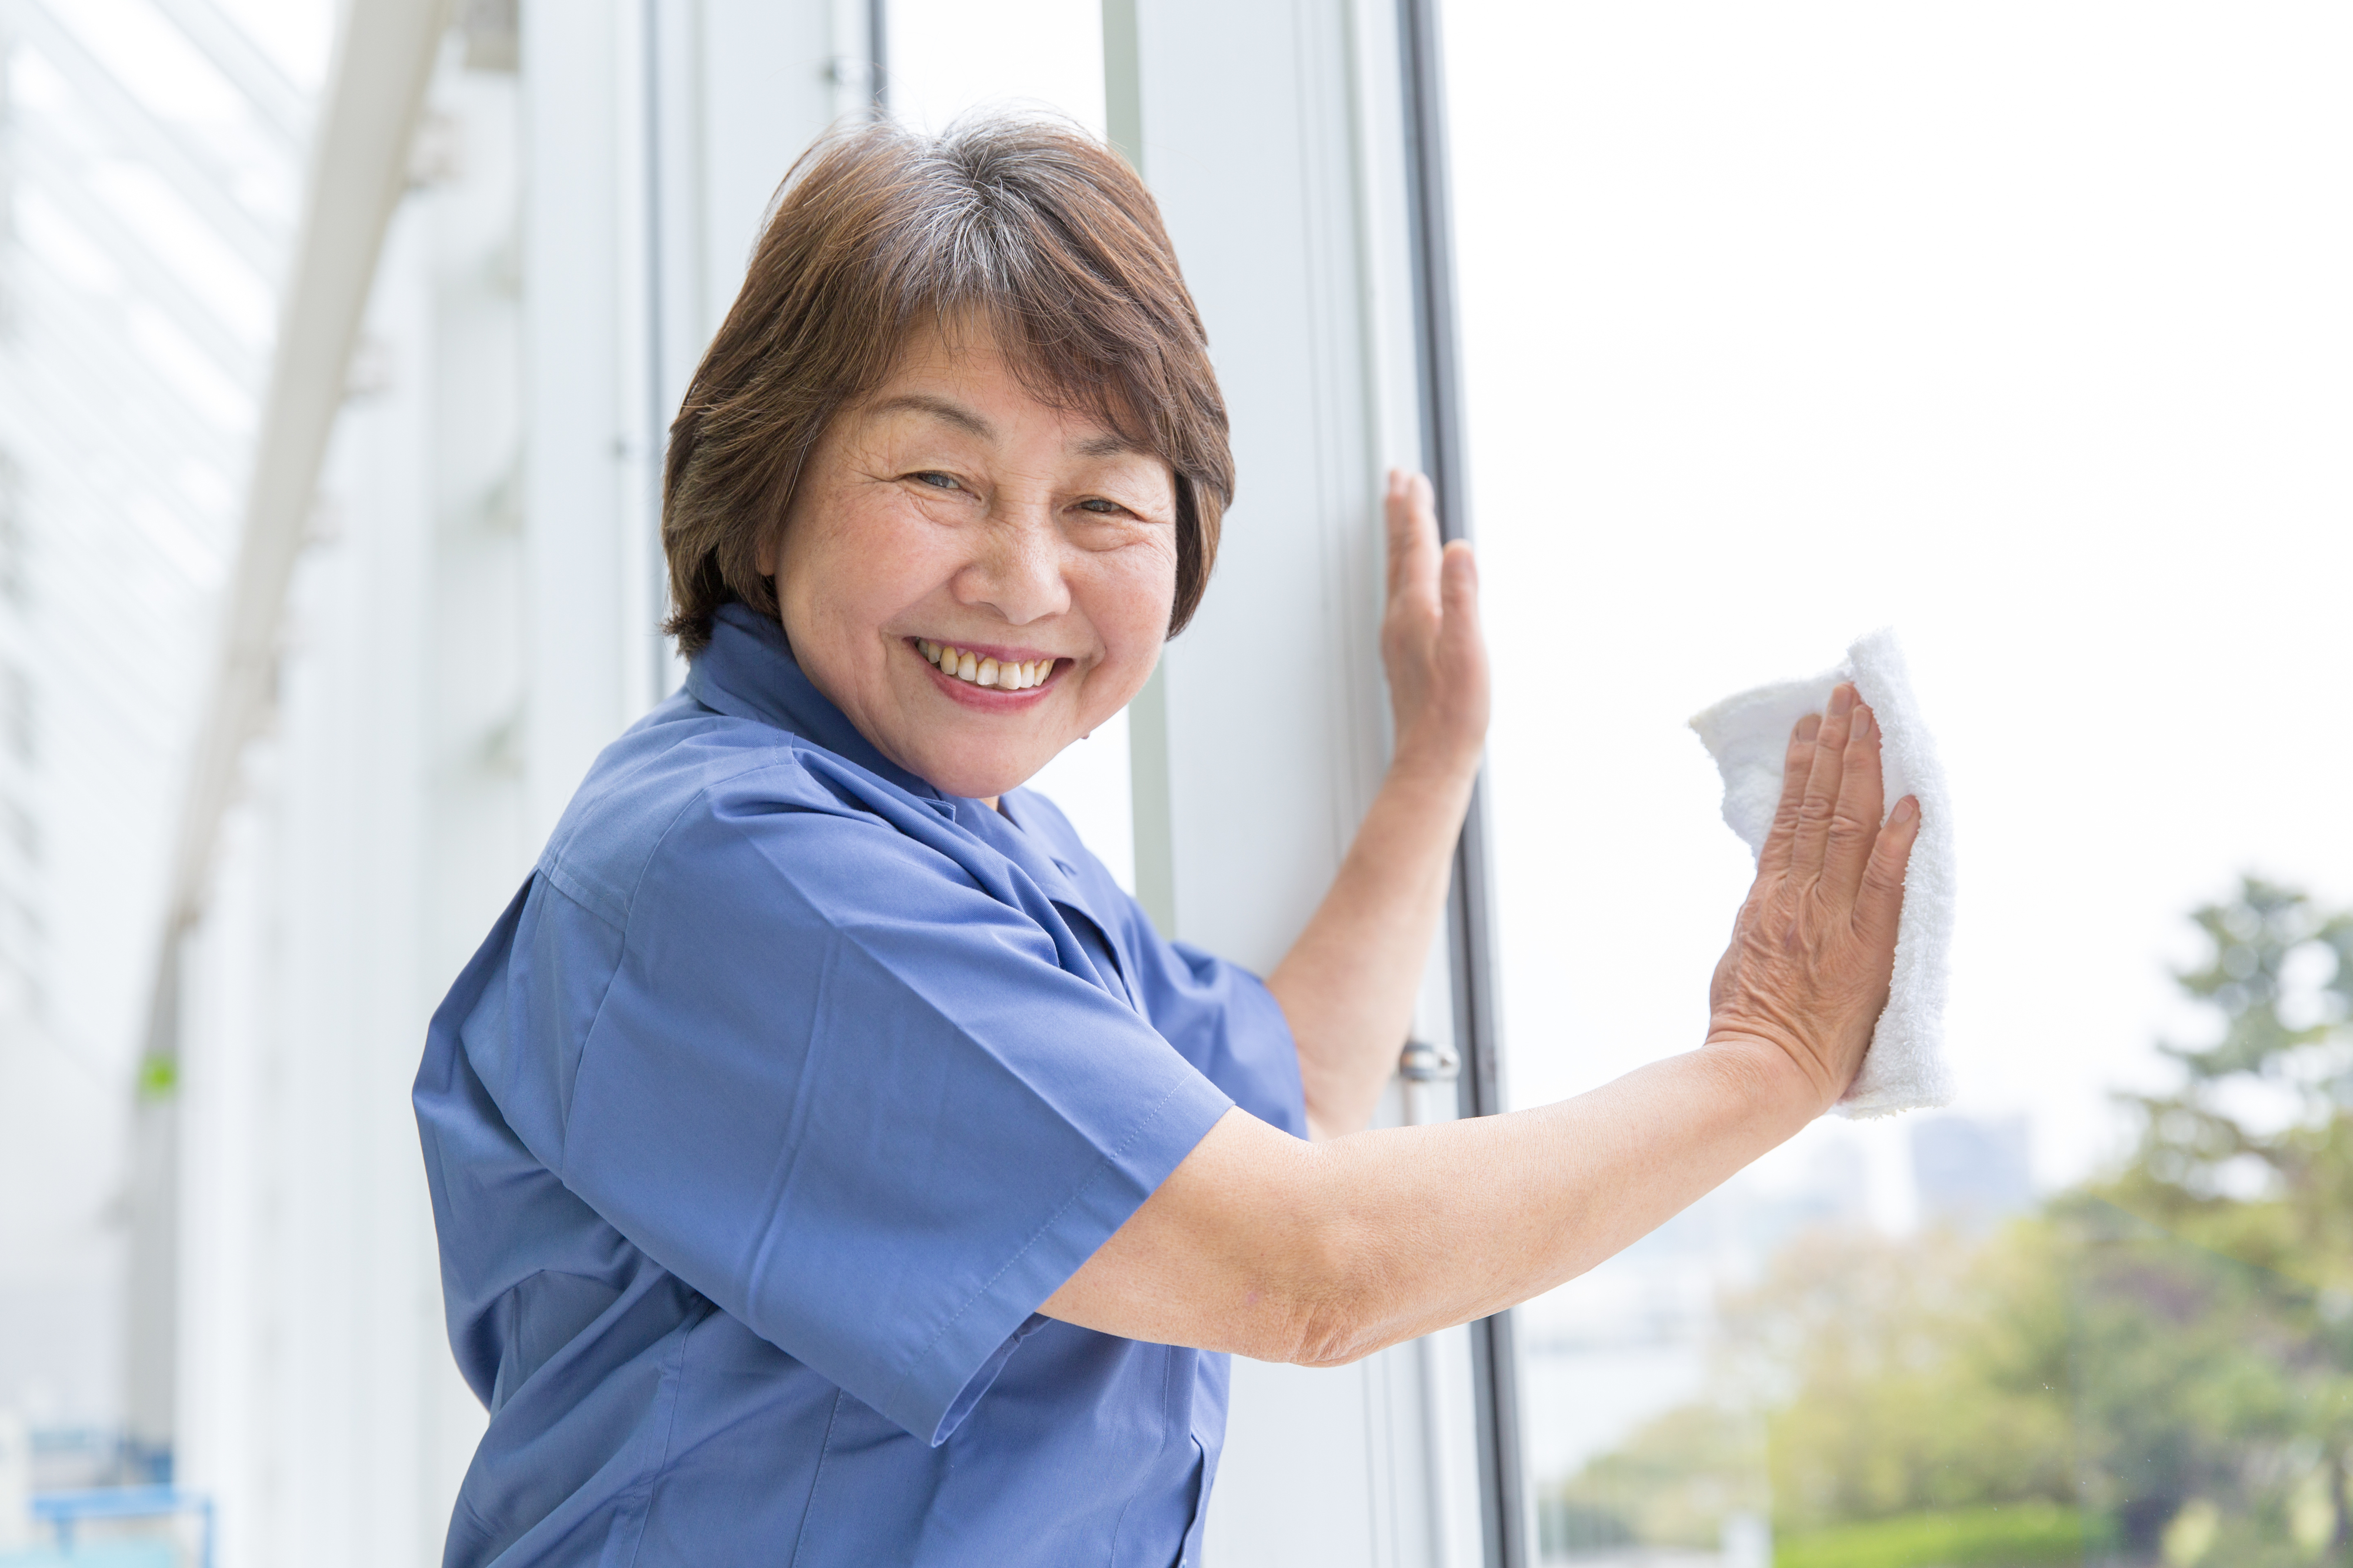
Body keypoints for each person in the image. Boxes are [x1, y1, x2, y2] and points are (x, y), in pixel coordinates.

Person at [414, 116, 1917, 1568]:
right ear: (762, 502)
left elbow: (1296, 1087)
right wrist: (1769, 1061)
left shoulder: (991, 849)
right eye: (939, 479)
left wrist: (1429, 765)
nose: (1020, 580)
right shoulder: (738, 861)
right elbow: (1308, 1267)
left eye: (1102, 502)